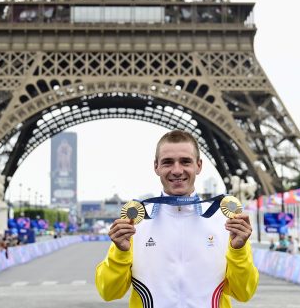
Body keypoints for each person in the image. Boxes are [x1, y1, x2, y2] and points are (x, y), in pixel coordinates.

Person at [95, 130, 259, 307]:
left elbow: (244, 293)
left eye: (185, 161)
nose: (177, 170)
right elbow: (108, 292)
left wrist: (239, 251)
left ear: (199, 165)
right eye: (167, 162)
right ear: (156, 166)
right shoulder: (135, 221)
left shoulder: (225, 221)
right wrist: (120, 253)